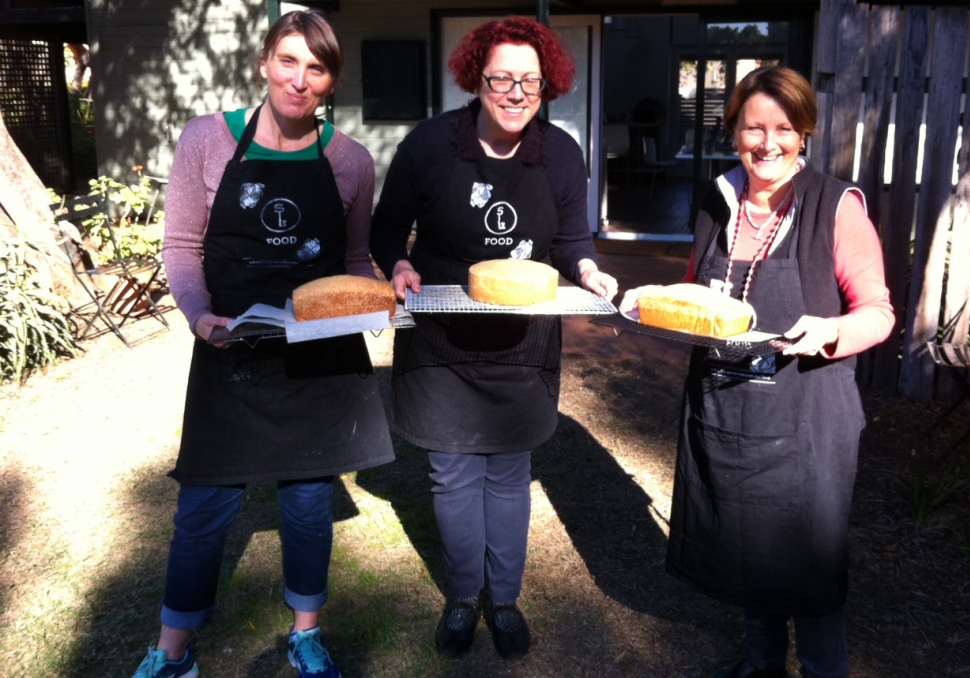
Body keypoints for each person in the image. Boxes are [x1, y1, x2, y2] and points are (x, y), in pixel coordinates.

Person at [131, 10, 394, 678]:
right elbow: (184, 246)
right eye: (287, 61)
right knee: (202, 508)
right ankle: (171, 652)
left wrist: (381, 296)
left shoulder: (351, 160)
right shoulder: (206, 141)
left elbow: (357, 257)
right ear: (263, 63)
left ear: (331, 80)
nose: (299, 80)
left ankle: (306, 635)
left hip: (320, 360)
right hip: (230, 354)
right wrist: (197, 315)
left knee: (308, 506)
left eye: (316, 67)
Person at [622, 66, 894, 678]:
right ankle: (761, 665)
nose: (767, 143)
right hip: (724, 412)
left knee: (810, 567)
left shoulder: (835, 206)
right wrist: (657, 301)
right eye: (753, 128)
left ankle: (824, 670)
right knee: (744, 548)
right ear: (733, 131)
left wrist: (831, 331)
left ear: (805, 134)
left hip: (805, 424)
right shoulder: (717, 202)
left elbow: (878, 312)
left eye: (784, 128)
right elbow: (700, 296)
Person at [369, 16, 618, 660]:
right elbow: (387, 227)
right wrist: (398, 264)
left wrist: (588, 270)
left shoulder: (561, 152)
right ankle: (461, 597)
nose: (515, 92)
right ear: (475, 78)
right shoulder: (430, 145)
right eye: (501, 77)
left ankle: (502, 600)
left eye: (530, 80)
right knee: (452, 474)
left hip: (522, 339)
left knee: (509, 472)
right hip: (442, 334)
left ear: (548, 84)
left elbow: (571, 241)